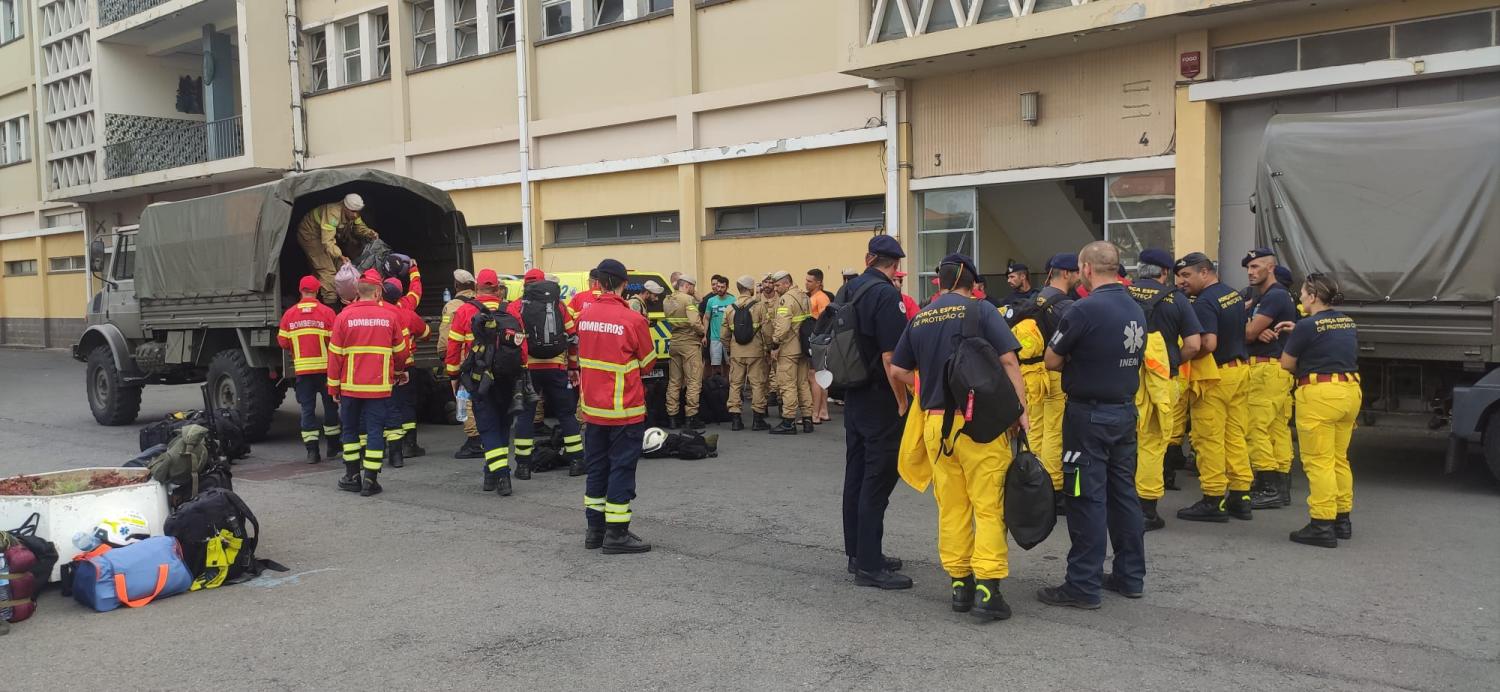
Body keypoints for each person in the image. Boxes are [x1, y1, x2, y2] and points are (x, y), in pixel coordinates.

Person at [891, 253, 1027, 617]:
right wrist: (1021, 412)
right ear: (972, 282)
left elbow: (898, 368)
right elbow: (1009, 362)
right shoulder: (981, 312)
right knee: (988, 505)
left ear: (941, 281)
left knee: (951, 507)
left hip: (937, 426)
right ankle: (987, 589)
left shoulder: (920, 316)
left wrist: (924, 388)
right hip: (980, 424)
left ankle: (959, 586)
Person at [1037, 241, 1147, 610]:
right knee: (1124, 497)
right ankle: (1130, 576)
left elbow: (1052, 359)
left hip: (1088, 416)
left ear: (1085, 268)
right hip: (1124, 412)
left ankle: (1082, 585)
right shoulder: (1136, 308)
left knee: (1085, 498)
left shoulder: (1084, 310)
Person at [838, 235, 912, 589]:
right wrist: (902, 400)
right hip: (880, 396)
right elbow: (890, 357)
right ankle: (869, 564)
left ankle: (858, 552)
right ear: (894, 265)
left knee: (856, 472)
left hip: (853, 392)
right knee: (878, 478)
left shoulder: (849, 290)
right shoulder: (886, 295)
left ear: (869, 258)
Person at [577, 258, 656, 554]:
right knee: (621, 469)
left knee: (597, 468)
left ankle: (594, 531)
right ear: (624, 284)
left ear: (598, 282)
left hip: (592, 408)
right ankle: (617, 534)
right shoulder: (632, 319)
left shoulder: (584, 316)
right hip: (625, 409)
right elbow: (648, 364)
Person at [1276, 273, 1359, 548]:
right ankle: (1341, 520)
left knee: (1318, 461)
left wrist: (1298, 333)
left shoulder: (1307, 326)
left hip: (1320, 395)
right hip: (1349, 391)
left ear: (1312, 296)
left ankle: (1321, 525)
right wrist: (1300, 328)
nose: (1300, 297)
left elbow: (1287, 364)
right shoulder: (1346, 320)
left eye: (1302, 293)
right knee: (1338, 459)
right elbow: (1327, 338)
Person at [1126, 249, 1203, 531]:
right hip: (1161, 381)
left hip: (1124, 381)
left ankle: (1119, 502)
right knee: (1153, 443)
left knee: (1123, 442)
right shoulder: (1177, 300)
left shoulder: (1123, 295)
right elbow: (1194, 344)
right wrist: (1172, 361)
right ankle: (1146, 510)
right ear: (1165, 273)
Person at [1173, 252, 1252, 523]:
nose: (1182, 282)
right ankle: (1241, 496)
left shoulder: (1204, 301)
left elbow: (1208, 344)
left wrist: (1180, 356)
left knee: (1209, 439)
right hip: (1239, 371)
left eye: (1187, 275)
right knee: (1235, 436)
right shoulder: (1232, 294)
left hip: (1215, 376)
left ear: (1204, 272)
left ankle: (1213, 498)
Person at [327, 270, 408, 497]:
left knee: (350, 430)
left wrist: (334, 388)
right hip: (379, 387)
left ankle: (352, 476)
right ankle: (370, 480)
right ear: (378, 291)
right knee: (375, 431)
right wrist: (400, 371)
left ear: (356, 291)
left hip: (350, 387)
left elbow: (335, 356)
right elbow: (401, 352)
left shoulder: (343, 317)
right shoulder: (390, 317)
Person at [444, 269, 518, 497]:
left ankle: (502, 475)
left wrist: (454, 377)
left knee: (487, 427)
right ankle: (490, 473)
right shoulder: (512, 310)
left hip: (478, 378)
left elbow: (453, 348)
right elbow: (521, 347)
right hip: (507, 378)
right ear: (498, 289)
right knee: (503, 426)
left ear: (477, 289)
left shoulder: (466, 311)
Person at [509, 268, 584, 480]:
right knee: (566, 414)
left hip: (528, 370)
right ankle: (577, 461)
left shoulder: (516, 306)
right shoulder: (559, 306)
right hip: (557, 368)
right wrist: (572, 367)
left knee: (525, 416)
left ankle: (523, 466)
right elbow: (572, 337)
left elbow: (511, 339)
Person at [1241, 249, 1299, 510]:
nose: (1251, 272)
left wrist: (1244, 323)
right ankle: (1281, 485)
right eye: (1248, 268)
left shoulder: (1273, 296)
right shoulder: (1269, 296)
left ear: (1270, 268)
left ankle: (1267, 485)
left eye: (1255, 266)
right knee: (1277, 429)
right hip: (1277, 371)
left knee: (1255, 428)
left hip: (1266, 370)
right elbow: (1254, 330)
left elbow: (1250, 333)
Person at [1029, 253, 1081, 499]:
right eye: (1078, 272)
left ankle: (1035, 479)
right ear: (1068, 273)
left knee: (1035, 428)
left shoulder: (1036, 298)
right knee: (1054, 430)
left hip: (1032, 373)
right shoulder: (1066, 306)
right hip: (1054, 373)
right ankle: (1053, 485)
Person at [277, 275, 341, 464]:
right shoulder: (327, 312)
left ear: (300, 291)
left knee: (307, 410)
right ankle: (332, 447)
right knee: (330, 407)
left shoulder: (289, 315)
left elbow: (282, 342)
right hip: (325, 370)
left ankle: (312, 452)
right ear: (318, 291)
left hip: (303, 372)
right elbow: (335, 341)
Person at [380, 277, 430, 469]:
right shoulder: (406, 313)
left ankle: (386, 444)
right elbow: (425, 333)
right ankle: (409, 445)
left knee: (385, 405)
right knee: (406, 404)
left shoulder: (378, 313)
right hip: (406, 367)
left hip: (382, 367)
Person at [296, 194, 379, 306]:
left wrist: (370, 233)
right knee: (327, 271)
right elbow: (328, 242)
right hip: (310, 235)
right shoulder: (333, 213)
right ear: (345, 207)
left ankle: (315, 293)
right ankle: (331, 305)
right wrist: (340, 256)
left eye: (357, 212)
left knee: (332, 267)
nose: (355, 215)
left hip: (325, 237)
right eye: (352, 212)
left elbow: (359, 227)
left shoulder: (354, 213)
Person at [440, 269, 482, 459]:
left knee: (465, 399)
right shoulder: (482, 303)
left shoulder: (452, 306)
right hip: (486, 360)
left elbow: (446, 338)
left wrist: (446, 359)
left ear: (456, 286)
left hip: (465, 361)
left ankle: (474, 440)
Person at [722, 275, 771, 432]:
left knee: (735, 384)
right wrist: (769, 347)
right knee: (757, 384)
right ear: (751, 289)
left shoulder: (729, 308)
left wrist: (730, 348)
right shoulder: (759, 306)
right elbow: (767, 330)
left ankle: (736, 419)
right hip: (756, 352)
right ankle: (758, 419)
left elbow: (723, 335)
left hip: (736, 352)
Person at [768, 270, 813, 434]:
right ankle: (808, 419)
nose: (776, 288)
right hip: (802, 346)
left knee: (787, 385)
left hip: (789, 348)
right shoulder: (804, 296)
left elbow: (782, 326)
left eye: (778, 285)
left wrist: (774, 344)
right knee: (803, 384)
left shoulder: (786, 299)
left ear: (786, 283)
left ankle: (788, 421)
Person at [663, 275, 705, 429]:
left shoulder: (667, 300)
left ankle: (672, 416)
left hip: (674, 341)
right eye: (693, 287)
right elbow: (694, 321)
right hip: (689, 343)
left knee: (674, 381)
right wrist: (702, 333)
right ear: (687, 286)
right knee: (694, 379)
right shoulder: (688, 300)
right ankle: (691, 417)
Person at [805, 269, 835, 423]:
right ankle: (823, 411)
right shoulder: (813, 297)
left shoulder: (821, 298)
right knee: (820, 376)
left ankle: (815, 414)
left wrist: (821, 342)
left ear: (819, 283)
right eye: (806, 280)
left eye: (810, 281)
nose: (806, 283)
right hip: (817, 341)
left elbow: (826, 321)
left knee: (814, 376)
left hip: (819, 342)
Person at [704, 275, 736, 379]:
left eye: (722, 287)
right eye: (718, 286)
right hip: (715, 338)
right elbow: (707, 318)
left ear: (727, 287)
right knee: (715, 365)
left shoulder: (733, 300)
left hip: (729, 338)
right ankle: (715, 386)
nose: (719, 289)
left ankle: (727, 387)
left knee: (729, 364)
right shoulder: (711, 301)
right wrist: (704, 335)